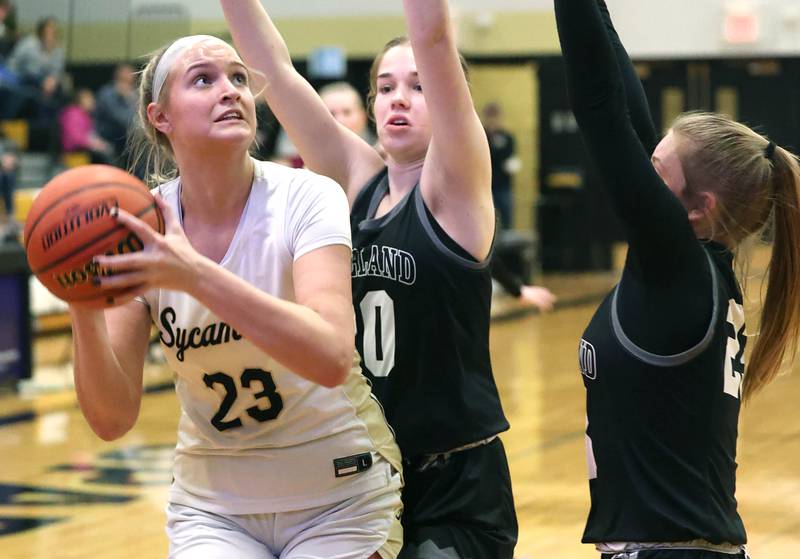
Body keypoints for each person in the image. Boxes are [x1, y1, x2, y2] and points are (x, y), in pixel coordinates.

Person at [70, 34, 402, 559]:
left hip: (339, 492)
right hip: (213, 506)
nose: (231, 91)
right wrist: (82, 305)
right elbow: (111, 419)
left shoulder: (309, 196)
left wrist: (195, 275)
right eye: (204, 79)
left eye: (239, 78)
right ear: (161, 117)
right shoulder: (139, 225)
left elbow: (332, 357)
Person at [221, 1, 518, 556]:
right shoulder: (359, 182)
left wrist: (434, 57)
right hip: (364, 471)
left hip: (455, 478)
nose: (398, 98)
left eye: (418, 87)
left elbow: (432, 38)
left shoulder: (454, 188)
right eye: (384, 88)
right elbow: (276, 75)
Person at [554, 1, 800, 557]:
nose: (641, 173)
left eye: (656, 171)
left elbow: (599, 110)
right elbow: (626, 110)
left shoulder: (679, 272)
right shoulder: (691, 273)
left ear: (698, 208)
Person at [482, 102, 520, 230]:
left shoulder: (507, 137)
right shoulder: (481, 135)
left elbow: (509, 158)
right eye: (490, 117)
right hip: (484, 186)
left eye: (495, 117)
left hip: (503, 185)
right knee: (485, 222)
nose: (493, 120)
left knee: (506, 218)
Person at [95, 63, 137, 167]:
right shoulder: (107, 94)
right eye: (124, 80)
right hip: (108, 139)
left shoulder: (134, 94)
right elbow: (122, 119)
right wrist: (129, 100)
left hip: (126, 141)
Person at [59, 88, 114, 164]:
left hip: (84, 154)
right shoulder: (73, 114)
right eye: (89, 99)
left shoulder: (85, 115)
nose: (93, 102)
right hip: (74, 156)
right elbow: (76, 137)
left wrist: (98, 143)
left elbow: (90, 134)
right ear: (81, 100)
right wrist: (94, 144)